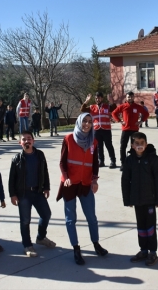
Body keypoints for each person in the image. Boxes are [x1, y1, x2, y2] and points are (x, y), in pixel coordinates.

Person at [56, 113, 108, 265]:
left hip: (85, 184)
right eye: (84, 121)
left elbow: (95, 164)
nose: (86, 124)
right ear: (79, 122)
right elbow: (62, 162)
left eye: (89, 122)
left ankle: (96, 244)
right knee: (71, 219)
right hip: (70, 185)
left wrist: (95, 180)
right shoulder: (68, 139)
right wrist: (65, 178)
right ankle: (76, 248)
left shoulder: (94, 141)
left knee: (92, 217)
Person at [8, 132, 56, 257]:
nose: (27, 141)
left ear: (33, 141)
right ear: (20, 143)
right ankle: (27, 245)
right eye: (24, 139)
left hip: (38, 191)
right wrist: (12, 195)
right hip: (23, 194)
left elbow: (44, 171)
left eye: (29, 138)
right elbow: (11, 178)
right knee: (25, 220)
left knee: (46, 214)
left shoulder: (40, 155)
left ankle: (41, 237)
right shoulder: (16, 159)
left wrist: (46, 187)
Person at [121, 132, 158, 266]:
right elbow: (125, 180)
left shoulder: (153, 159)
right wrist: (127, 199)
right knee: (141, 226)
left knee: (150, 226)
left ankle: (153, 252)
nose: (139, 146)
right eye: (137, 143)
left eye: (142, 143)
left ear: (146, 144)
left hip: (150, 200)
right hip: (137, 199)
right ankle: (143, 250)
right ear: (132, 145)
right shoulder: (129, 160)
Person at [111, 92, 150, 170]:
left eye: (131, 97)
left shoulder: (137, 107)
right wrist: (120, 121)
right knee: (123, 147)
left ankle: (134, 162)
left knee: (135, 147)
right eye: (128, 97)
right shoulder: (123, 106)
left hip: (134, 130)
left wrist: (141, 121)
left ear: (133, 97)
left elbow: (146, 114)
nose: (130, 98)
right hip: (125, 129)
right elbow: (114, 113)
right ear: (126, 98)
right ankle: (123, 163)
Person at [81, 93, 116, 168]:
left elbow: (114, 108)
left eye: (99, 98)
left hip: (106, 129)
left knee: (109, 145)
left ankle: (113, 161)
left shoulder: (107, 106)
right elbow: (82, 109)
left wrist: (111, 101)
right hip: (96, 130)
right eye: (96, 98)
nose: (97, 99)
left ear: (102, 98)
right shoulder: (92, 107)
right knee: (99, 146)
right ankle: (101, 161)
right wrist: (86, 101)